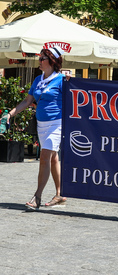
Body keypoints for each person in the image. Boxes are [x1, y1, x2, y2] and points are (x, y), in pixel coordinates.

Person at [2, 47, 67, 210]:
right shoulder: (38, 79)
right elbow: (27, 101)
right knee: (53, 158)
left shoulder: (61, 80)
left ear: (51, 61)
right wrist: (10, 114)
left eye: (42, 58)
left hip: (56, 124)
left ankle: (37, 197)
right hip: (42, 125)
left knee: (45, 156)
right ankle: (60, 193)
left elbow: (73, 101)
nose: (39, 60)